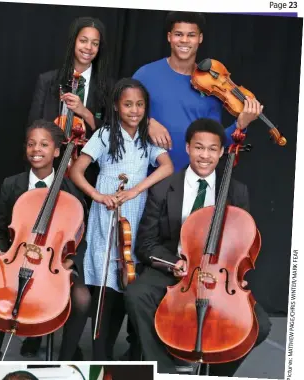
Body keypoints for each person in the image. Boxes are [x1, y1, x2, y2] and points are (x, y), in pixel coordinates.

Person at [124, 118, 271, 375]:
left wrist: (237, 275)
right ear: (188, 148)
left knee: (261, 326)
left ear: (222, 152)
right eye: (199, 148)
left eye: (212, 149)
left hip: (219, 275)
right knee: (136, 295)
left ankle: (215, 374)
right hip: (177, 269)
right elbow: (146, 244)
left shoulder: (237, 192)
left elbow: (242, 243)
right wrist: (174, 264)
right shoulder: (162, 189)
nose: (205, 155)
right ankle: (165, 370)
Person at [0, 120, 91, 361]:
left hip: (53, 264)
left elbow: (79, 235)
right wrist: (3, 256)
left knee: (82, 299)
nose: (37, 149)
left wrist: (71, 263)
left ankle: (66, 357)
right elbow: (0, 229)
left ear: (57, 151)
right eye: (32, 144)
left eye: (44, 144)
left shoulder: (70, 189)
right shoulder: (12, 184)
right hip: (14, 260)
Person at [25, 15, 111, 357]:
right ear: (73, 42)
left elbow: (110, 131)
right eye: (83, 41)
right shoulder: (49, 81)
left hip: (85, 175)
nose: (88, 48)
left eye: (95, 43)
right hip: (50, 174)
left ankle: (65, 330)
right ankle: (34, 325)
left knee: (71, 247)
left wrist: (86, 114)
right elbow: (34, 127)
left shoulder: (105, 86)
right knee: (40, 244)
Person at [69, 77, 174, 360]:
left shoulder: (146, 137)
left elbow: (167, 167)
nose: (134, 110)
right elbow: (76, 171)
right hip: (106, 213)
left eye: (140, 105)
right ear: (116, 106)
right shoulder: (104, 135)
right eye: (127, 104)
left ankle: (129, 351)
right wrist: (98, 196)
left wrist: (135, 190)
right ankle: (100, 353)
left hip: (136, 211)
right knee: (105, 282)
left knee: (128, 276)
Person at [133, 11, 263, 172]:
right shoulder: (145, 74)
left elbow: (215, 142)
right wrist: (146, 123)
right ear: (169, 37)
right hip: (145, 176)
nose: (184, 40)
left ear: (200, 38)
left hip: (188, 180)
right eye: (178, 34)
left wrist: (241, 125)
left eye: (191, 35)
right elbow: (118, 116)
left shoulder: (211, 87)